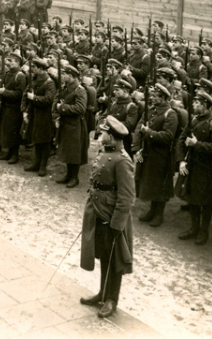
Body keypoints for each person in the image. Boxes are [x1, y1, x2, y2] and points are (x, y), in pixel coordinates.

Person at [79, 116, 135, 319]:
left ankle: (112, 299)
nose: (100, 135)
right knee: (104, 254)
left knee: (114, 259)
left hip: (112, 216)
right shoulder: (106, 152)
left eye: (103, 133)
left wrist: (117, 224)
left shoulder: (122, 161)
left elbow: (127, 197)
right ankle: (102, 293)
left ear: (111, 137)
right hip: (99, 210)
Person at [175, 90, 212, 245]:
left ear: (205, 105)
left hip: (207, 168)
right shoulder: (194, 120)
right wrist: (182, 160)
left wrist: (197, 144)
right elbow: (181, 141)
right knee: (192, 197)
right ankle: (194, 228)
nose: (194, 105)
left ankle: (204, 231)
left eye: (197, 103)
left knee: (206, 201)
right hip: (192, 164)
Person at [132, 83, 179, 227]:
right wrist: (137, 148)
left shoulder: (170, 114)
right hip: (147, 153)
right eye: (152, 95)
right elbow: (138, 128)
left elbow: (168, 136)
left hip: (161, 155)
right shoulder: (150, 110)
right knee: (150, 183)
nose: (152, 98)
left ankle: (159, 213)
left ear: (164, 98)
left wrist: (149, 133)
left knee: (160, 185)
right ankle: (152, 210)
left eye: (156, 96)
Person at [53, 65, 88, 188]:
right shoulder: (64, 88)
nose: (62, 77)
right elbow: (55, 101)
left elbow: (80, 108)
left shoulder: (80, 90)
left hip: (75, 125)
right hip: (64, 123)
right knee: (67, 150)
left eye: (64, 74)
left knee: (74, 152)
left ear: (72, 76)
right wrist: (56, 116)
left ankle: (74, 177)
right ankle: (68, 174)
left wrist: (61, 108)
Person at [22, 57, 57, 176]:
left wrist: (34, 98)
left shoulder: (49, 82)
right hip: (35, 113)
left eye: (34, 68)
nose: (32, 70)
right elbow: (26, 93)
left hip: (45, 115)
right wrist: (26, 110)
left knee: (45, 141)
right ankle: (36, 163)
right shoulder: (35, 79)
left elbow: (49, 99)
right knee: (36, 139)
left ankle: (43, 165)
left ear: (41, 69)